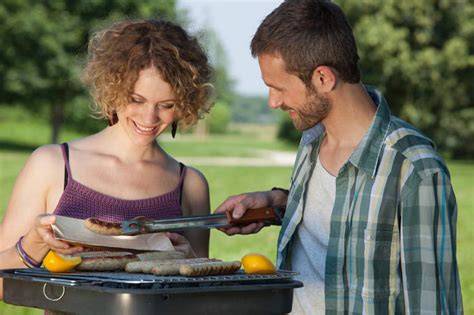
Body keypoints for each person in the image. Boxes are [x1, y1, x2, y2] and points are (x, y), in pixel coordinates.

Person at [215, 1, 463, 314]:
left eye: (278, 88)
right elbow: (342, 215)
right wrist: (274, 202)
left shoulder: (414, 168)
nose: (272, 102)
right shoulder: (312, 139)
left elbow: (433, 305)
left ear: (323, 78)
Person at [0, 19, 213, 300]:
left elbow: (201, 300)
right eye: (136, 100)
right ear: (112, 88)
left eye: (166, 105)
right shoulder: (52, 164)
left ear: (186, 102)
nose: (149, 118)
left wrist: (191, 262)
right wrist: (33, 246)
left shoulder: (191, 184)